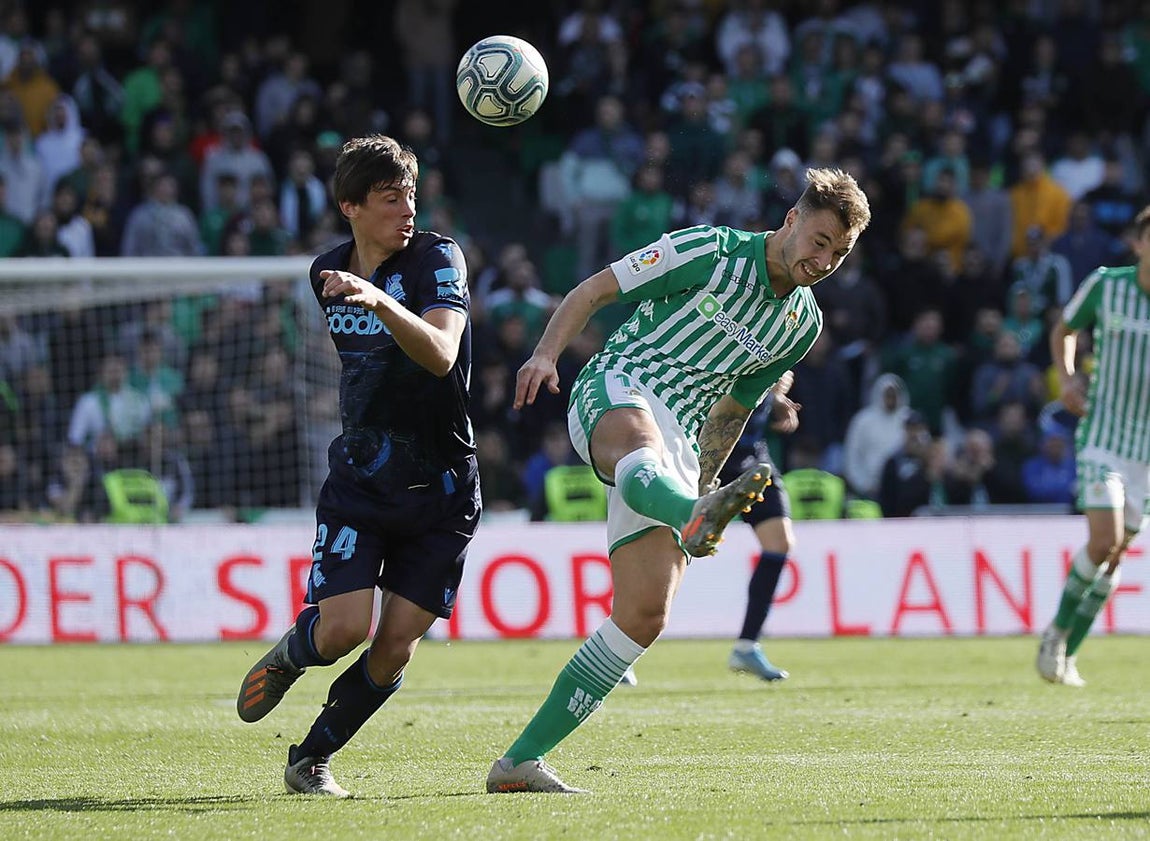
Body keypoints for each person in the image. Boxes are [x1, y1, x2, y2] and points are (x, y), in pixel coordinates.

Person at [490, 167, 870, 793]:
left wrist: (703, 489)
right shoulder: (710, 250)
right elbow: (595, 290)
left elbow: (732, 412)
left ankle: (518, 763)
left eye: (839, 252)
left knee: (644, 615)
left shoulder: (801, 325)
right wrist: (545, 354)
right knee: (638, 446)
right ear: (792, 220)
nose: (824, 258)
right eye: (821, 239)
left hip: (681, 444)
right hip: (620, 384)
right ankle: (687, 511)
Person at [235, 134, 481, 797]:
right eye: (388, 198)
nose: (407, 209)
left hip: (444, 489)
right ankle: (295, 650)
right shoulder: (327, 271)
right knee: (342, 629)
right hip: (363, 481)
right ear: (350, 206)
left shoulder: (436, 258)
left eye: (410, 194)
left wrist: (377, 301)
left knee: (395, 645)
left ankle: (310, 758)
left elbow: (440, 353)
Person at [1036, 204, 1150, 688]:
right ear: (1139, 243)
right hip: (1103, 437)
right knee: (1103, 540)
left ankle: (1069, 653)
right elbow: (1065, 329)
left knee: (1116, 554)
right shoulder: (1108, 285)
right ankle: (1056, 635)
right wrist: (1066, 379)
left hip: (1146, 452)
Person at [722, 369, 802, 681]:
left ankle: (746, 645)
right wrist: (770, 388)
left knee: (779, 542)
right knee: (672, 547)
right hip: (710, 455)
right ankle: (621, 649)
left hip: (752, 457)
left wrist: (776, 398)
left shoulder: (782, 336)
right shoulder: (730, 332)